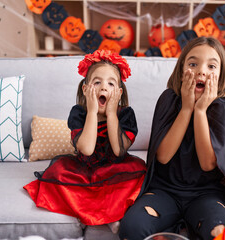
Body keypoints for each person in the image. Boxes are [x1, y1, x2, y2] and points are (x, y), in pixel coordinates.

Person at [119, 37, 225, 240]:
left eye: (211, 66)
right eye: (193, 64)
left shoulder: (224, 106)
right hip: (164, 190)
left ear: (221, 75)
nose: (202, 71)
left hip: (208, 194)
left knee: (219, 233)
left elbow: (208, 163)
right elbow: (163, 156)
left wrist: (200, 111)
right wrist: (186, 108)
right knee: (131, 228)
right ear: (181, 70)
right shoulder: (168, 98)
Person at [24, 49, 146, 234]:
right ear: (85, 89)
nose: (104, 87)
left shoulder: (125, 115)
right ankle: (103, 217)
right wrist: (91, 112)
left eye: (111, 84)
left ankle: (114, 215)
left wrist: (112, 113)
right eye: (97, 82)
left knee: (139, 176)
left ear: (119, 93)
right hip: (83, 168)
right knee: (58, 175)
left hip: (116, 168)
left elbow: (119, 150)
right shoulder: (79, 113)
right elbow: (87, 149)